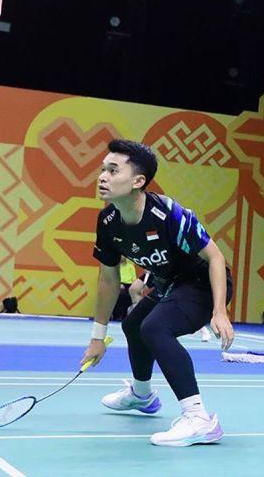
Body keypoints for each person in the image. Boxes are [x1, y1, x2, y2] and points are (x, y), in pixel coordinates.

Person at [81, 139, 234, 447]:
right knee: (133, 324)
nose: (102, 177)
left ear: (138, 181)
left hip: (202, 284)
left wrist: (220, 311)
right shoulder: (108, 222)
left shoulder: (169, 213)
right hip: (169, 284)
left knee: (155, 327)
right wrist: (98, 337)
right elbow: (108, 279)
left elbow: (215, 258)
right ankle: (142, 395)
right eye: (102, 169)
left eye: (113, 170)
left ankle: (199, 418)